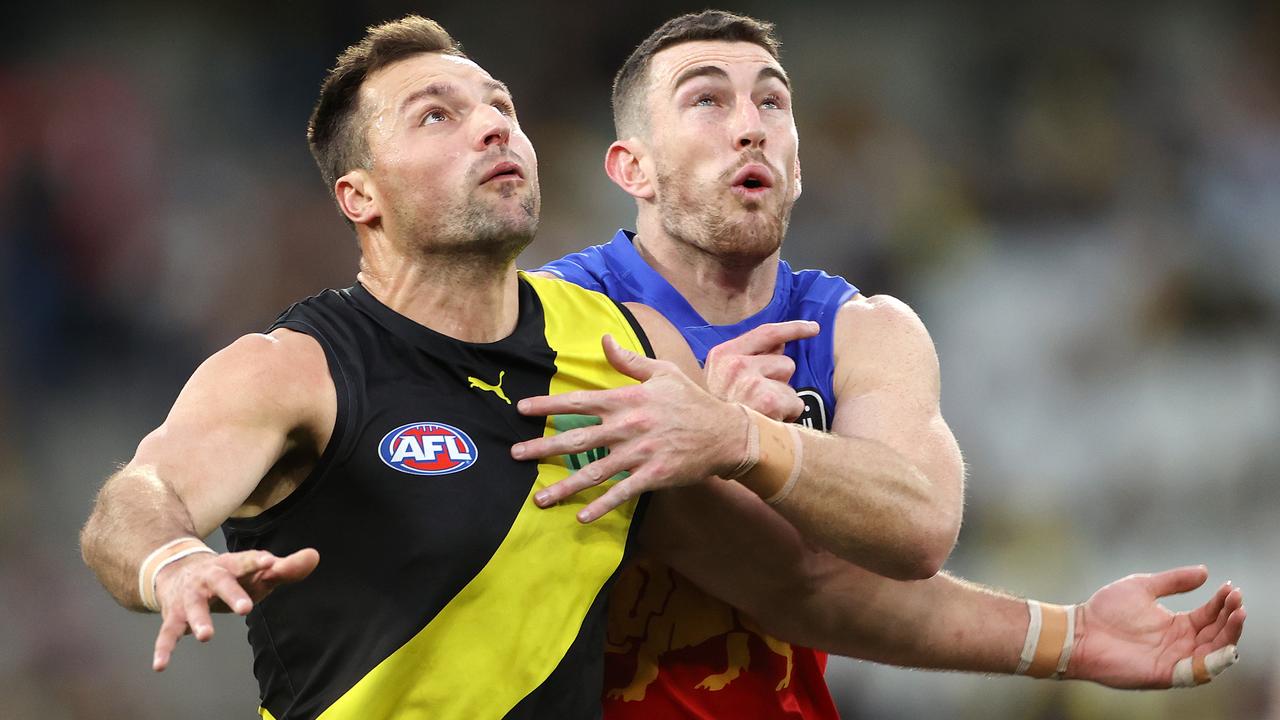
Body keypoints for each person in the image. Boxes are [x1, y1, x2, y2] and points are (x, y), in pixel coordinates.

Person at [520, 10, 1245, 717]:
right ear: (632, 167)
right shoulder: (558, 318)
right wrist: (1068, 637)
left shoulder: (864, 330)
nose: (751, 126)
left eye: (772, 102)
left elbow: (920, 525)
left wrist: (748, 439)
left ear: (797, 165)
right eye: (706, 99)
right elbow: (797, 578)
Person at [77, 15, 768, 720]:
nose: (495, 128)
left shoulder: (629, 347)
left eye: (502, 107)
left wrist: (752, 441)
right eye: (436, 116)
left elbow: (773, 579)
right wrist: (173, 564)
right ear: (360, 197)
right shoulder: (295, 370)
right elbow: (133, 501)